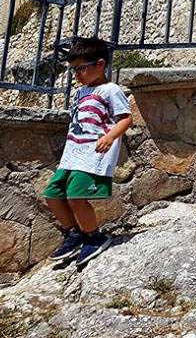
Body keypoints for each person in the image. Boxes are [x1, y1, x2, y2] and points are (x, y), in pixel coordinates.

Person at [42, 37, 132, 267]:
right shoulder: (80, 93)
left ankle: (94, 237)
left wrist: (110, 136)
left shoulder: (110, 90)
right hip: (72, 155)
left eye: (81, 68)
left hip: (93, 155)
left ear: (100, 64)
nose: (77, 74)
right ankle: (73, 234)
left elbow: (126, 118)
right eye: (73, 69)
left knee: (76, 197)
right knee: (52, 195)